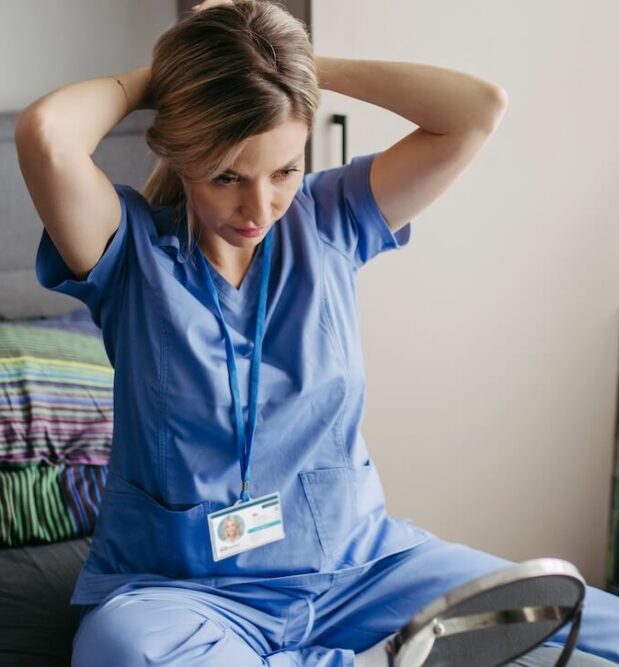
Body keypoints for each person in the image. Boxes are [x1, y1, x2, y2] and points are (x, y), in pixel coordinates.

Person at [14, 1, 619, 665]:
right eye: (227, 177)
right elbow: (47, 134)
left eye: (284, 169)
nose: (260, 206)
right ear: (183, 154)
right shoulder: (128, 254)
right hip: (185, 592)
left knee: (596, 624)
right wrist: (174, 76)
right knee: (124, 651)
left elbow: (475, 109)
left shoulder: (331, 219)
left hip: (362, 568)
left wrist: (285, 68)